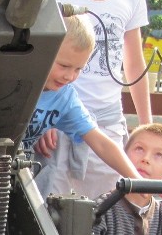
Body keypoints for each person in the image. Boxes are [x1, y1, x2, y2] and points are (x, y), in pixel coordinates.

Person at [51, 0, 152, 199]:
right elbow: (35, 53)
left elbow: (134, 62)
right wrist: (41, 116)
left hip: (107, 119)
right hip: (58, 117)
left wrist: (147, 124)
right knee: (49, 206)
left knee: (110, 206)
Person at [22, 14, 140, 197]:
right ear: (42, 51)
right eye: (63, 66)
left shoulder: (65, 97)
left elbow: (100, 142)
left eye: (78, 69)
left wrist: (136, 180)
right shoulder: (14, 80)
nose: (69, 76)